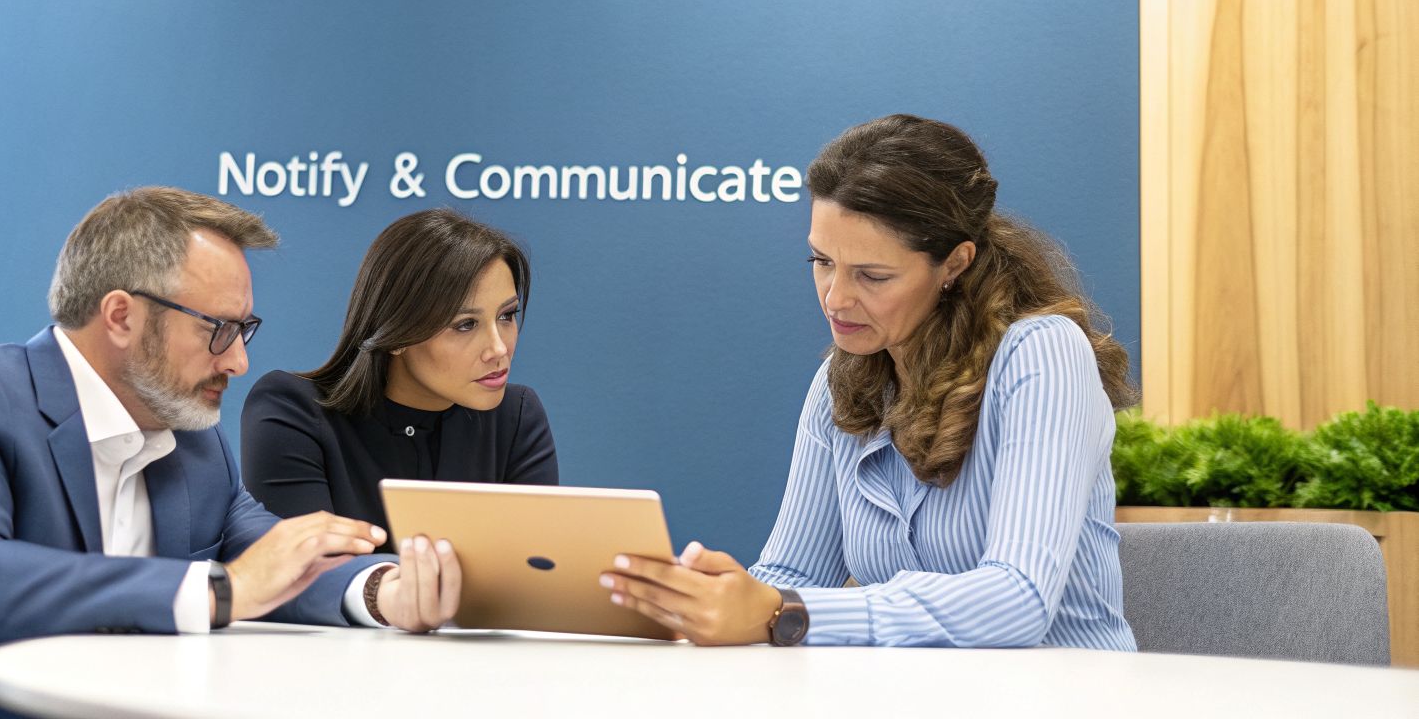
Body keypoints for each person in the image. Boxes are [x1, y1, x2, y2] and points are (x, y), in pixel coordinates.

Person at [0, 188, 461, 719]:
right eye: (219, 330)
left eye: (245, 330)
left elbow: (270, 559)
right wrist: (221, 591)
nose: (238, 361)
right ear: (120, 316)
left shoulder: (194, 444)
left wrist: (383, 591)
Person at [601, 114, 1139, 650]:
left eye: (872, 276)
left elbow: (1018, 601)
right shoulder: (842, 379)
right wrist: (703, 604)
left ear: (954, 263)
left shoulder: (1042, 356)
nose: (835, 298)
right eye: (821, 261)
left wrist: (782, 611)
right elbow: (795, 574)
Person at [241, 208, 558, 546]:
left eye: (507, 315)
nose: (499, 348)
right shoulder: (291, 412)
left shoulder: (517, 415)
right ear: (395, 334)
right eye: (465, 325)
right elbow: (305, 584)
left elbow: (534, 575)